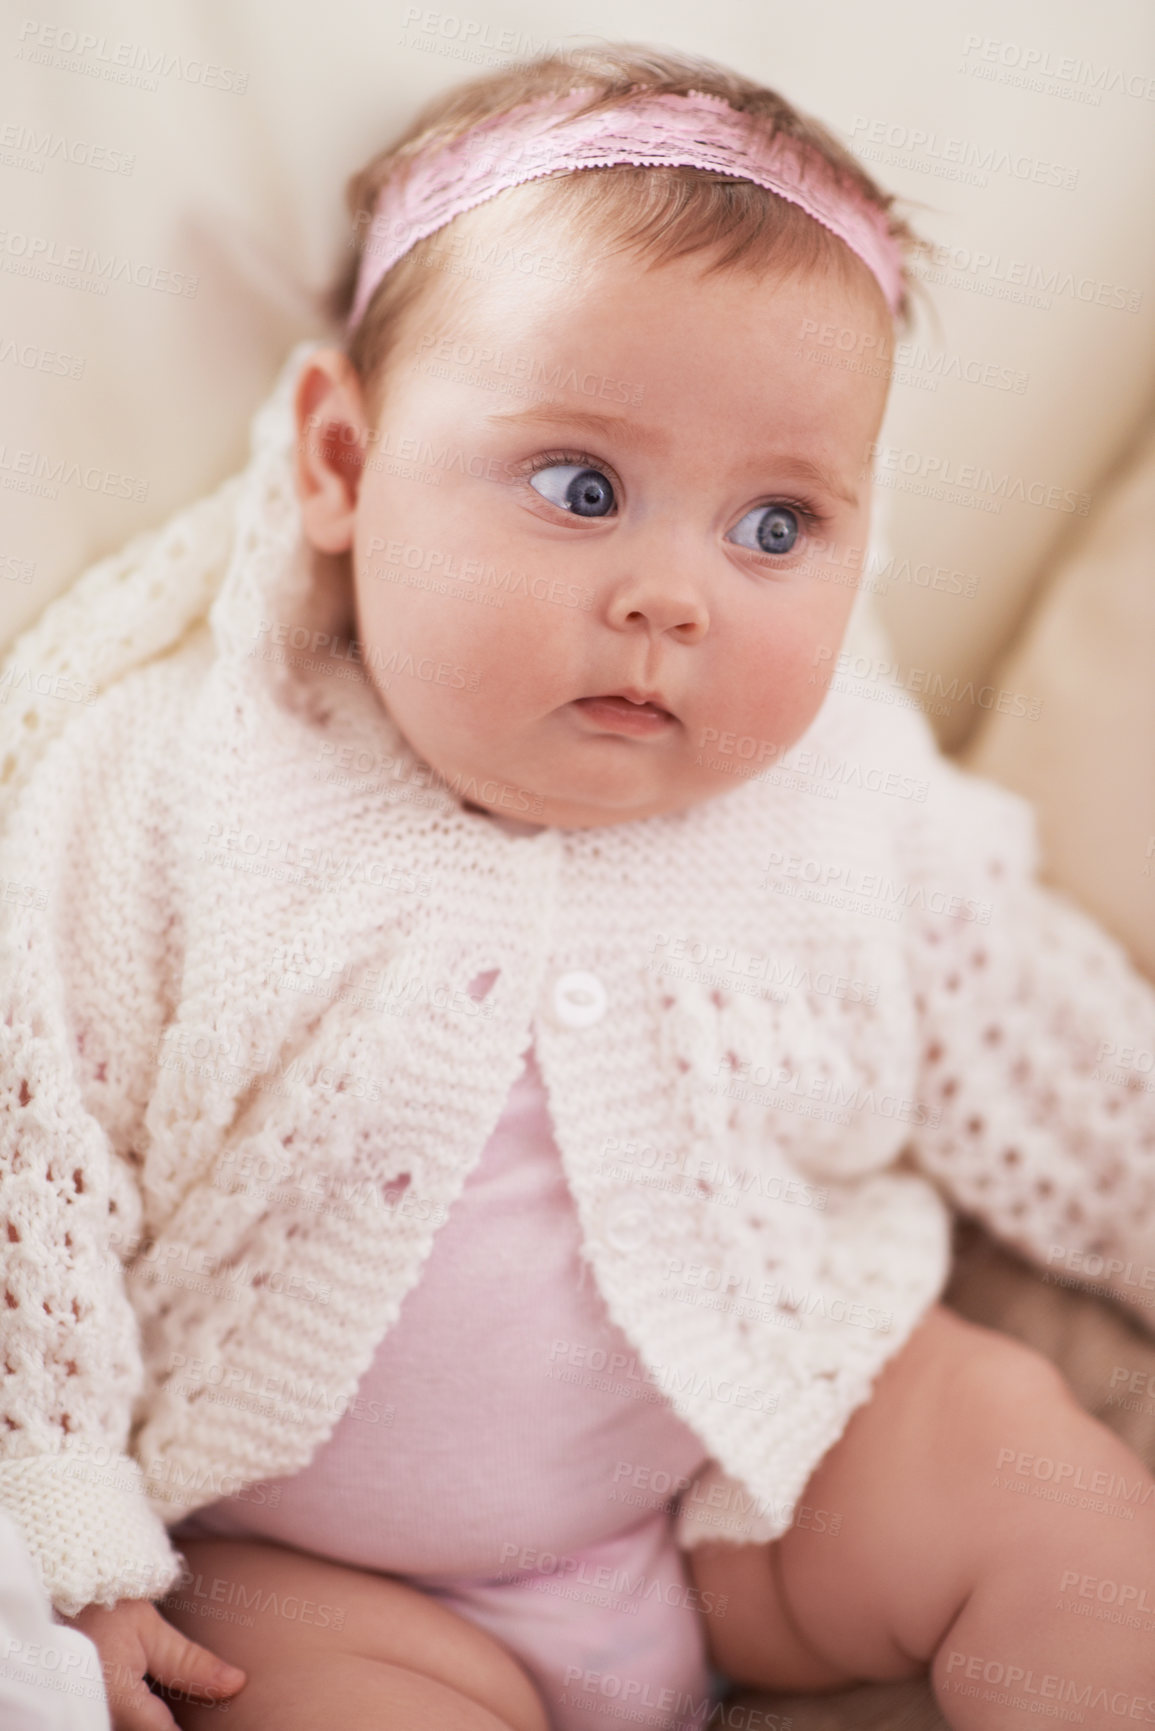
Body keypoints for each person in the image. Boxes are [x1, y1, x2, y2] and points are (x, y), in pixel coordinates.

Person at [2, 41, 1154, 1731]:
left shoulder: (843, 796)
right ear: (341, 458)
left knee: (1027, 1477)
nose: (672, 596)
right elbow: (31, 1171)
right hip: (327, 1574)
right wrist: (70, 1539)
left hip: (762, 1466)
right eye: (582, 488)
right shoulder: (180, 789)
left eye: (776, 527)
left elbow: (1049, 1049)